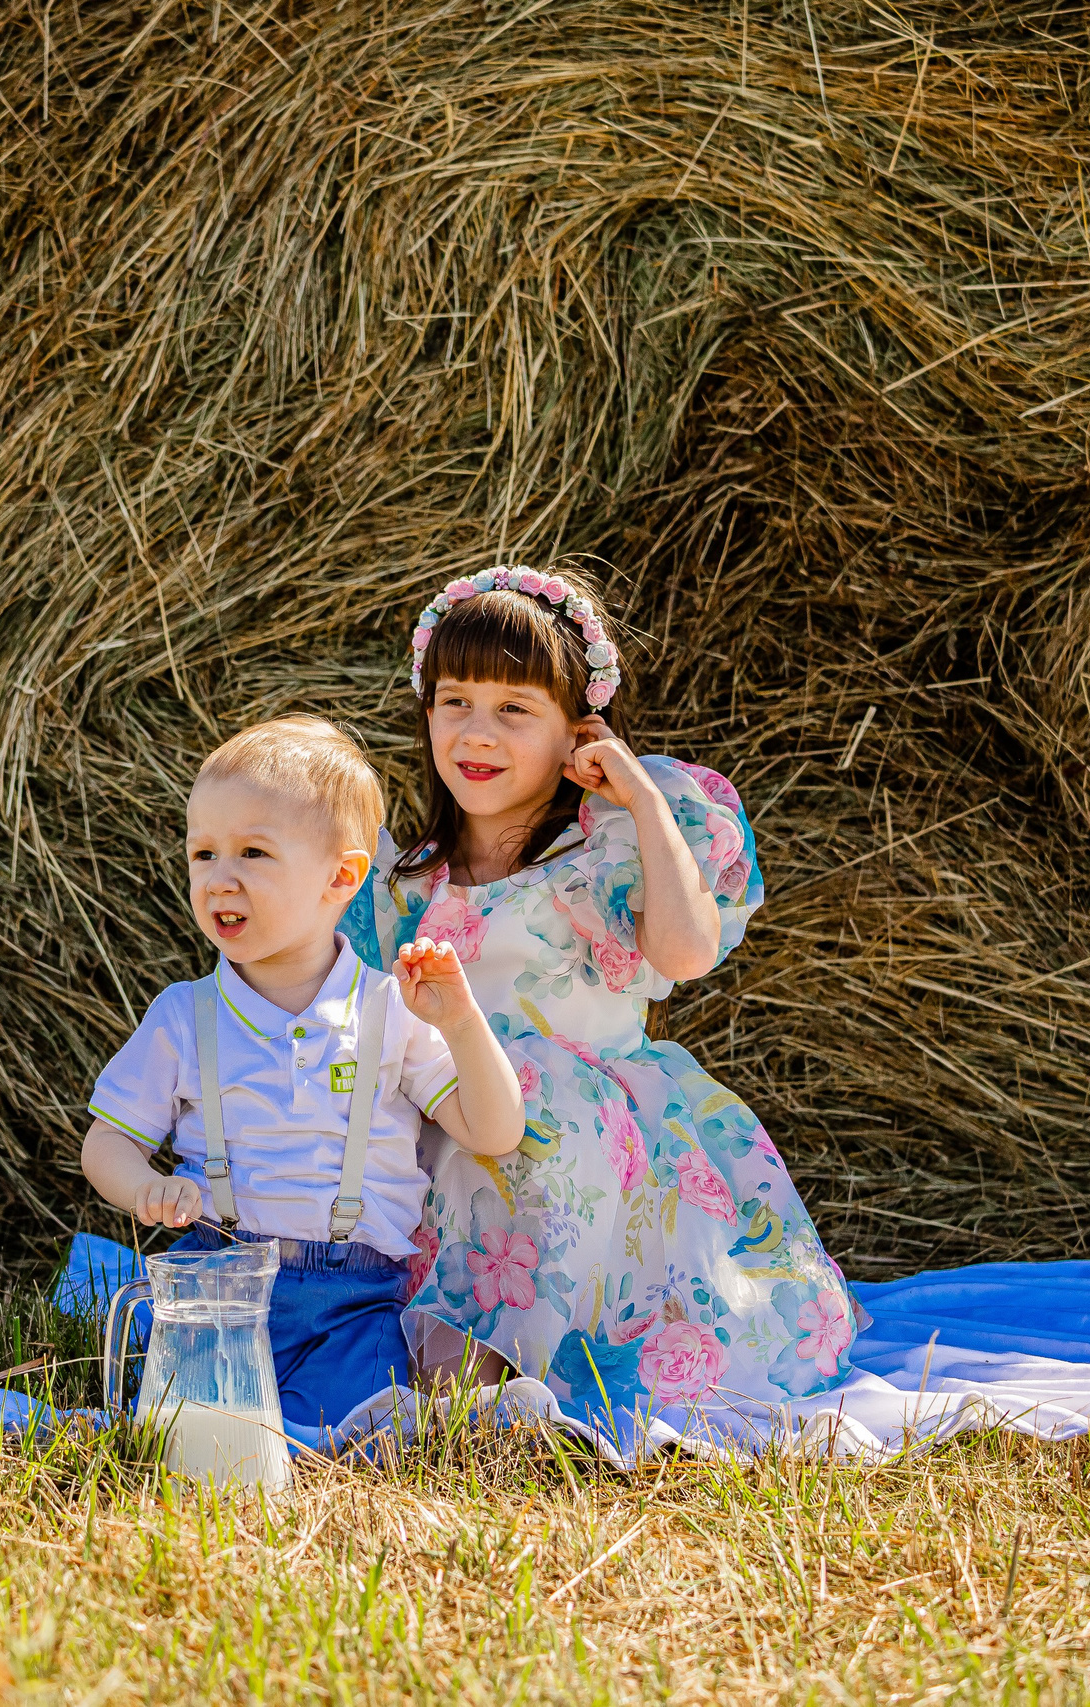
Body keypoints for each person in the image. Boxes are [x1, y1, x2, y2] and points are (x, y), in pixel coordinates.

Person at [347, 564, 863, 1432]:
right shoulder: (409, 881)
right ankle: (446, 1369)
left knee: (543, 1134)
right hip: (455, 1104)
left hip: (598, 1126)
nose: (478, 731)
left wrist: (641, 797)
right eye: (454, 701)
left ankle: (518, 1368)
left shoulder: (607, 848)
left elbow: (687, 951)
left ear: (576, 730)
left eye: (515, 709)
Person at [80, 715, 524, 1432]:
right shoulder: (185, 1015)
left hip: (352, 1302)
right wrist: (145, 1186)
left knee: (345, 1435)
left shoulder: (387, 1010)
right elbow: (105, 1143)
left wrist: (462, 1019)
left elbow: (497, 1129)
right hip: (217, 1283)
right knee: (190, 1441)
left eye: (253, 852)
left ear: (342, 877)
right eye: (202, 853)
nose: (219, 877)